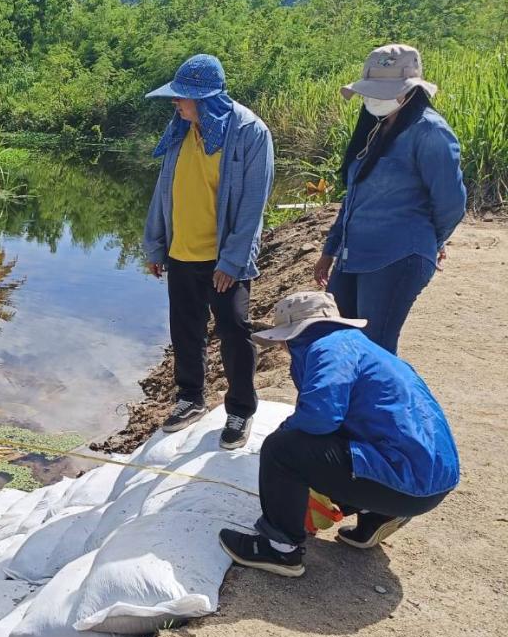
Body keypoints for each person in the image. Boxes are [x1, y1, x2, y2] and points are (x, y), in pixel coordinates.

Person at [219, 291, 458, 577]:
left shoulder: (326, 349)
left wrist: (289, 445)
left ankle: (280, 548)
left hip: (408, 482)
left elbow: (319, 419)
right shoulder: (359, 346)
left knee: (281, 448)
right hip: (434, 479)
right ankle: (378, 513)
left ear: (294, 334)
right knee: (321, 442)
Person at [142, 54, 275, 450]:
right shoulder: (181, 129)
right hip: (182, 251)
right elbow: (164, 190)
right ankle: (190, 398)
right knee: (185, 330)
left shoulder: (250, 132)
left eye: (182, 97)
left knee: (234, 330)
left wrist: (232, 261)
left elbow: (254, 204)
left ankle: (240, 409)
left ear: (206, 97)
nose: (175, 103)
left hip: (223, 260)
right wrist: (157, 244)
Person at [314, 44, 466, 355]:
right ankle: (350, 405)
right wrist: (330, 250)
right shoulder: (375, 128)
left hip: (396, 256)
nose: (375, 99)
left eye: (385, 91)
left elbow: (451, 202)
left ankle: (381, 405)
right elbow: (355, 197)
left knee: (374, 350)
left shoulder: (430, 132)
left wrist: (432, 241)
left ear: (412, 91)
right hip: (353, 254)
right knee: (339, 342)